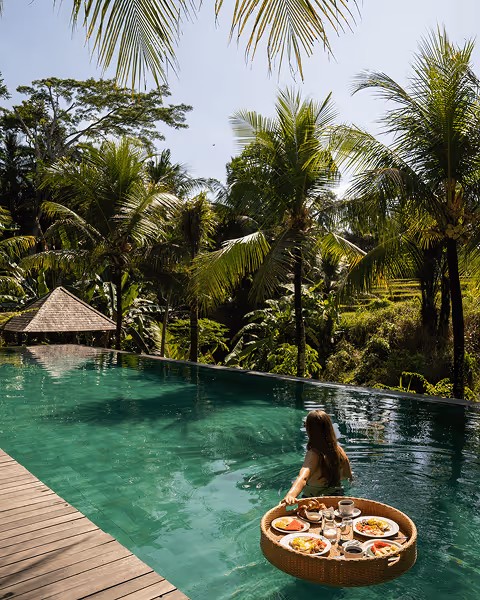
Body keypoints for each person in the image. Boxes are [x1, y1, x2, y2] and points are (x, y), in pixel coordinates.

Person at [282, 410, 352, 505]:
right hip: (337, 498)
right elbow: (349, 477)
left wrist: (291, 495)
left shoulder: (313, 454)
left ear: (309, 430)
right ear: (329, 428)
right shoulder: (339, 451)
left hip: (314, 501)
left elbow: (303, 478)